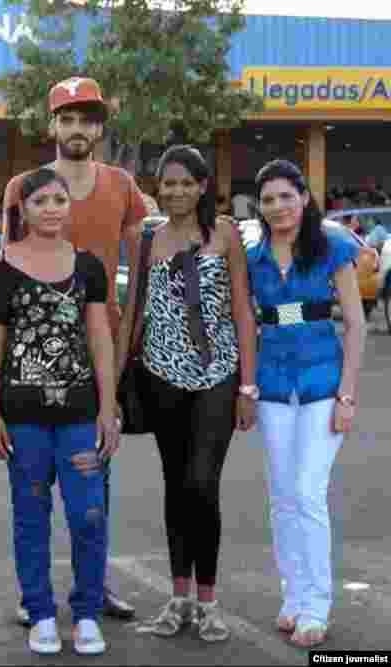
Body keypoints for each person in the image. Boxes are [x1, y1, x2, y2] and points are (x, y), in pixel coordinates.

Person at [2, 76, 148, 622]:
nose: (78, 128)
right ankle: (34, 596)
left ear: (100, 126)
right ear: (52, 126)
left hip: (100, 352)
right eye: (67, 119)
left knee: (94, 485)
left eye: (87, 119)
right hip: (35, 359)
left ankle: (96, 585)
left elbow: (141, 272)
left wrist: (127, 334)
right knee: (33, 486)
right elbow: (6, 270)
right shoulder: (25, 186)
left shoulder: (123, 187)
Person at [117, 145, 257, 642]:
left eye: (185, 183)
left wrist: (247, 385)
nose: (175, 191)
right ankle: (178, 598)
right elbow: (132, 312)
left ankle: (209, 600)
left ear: (202, 186)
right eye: (167, 183)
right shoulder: (146, 238)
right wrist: (115, 385)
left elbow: (242, 311)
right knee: (175, 486)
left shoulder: (223, 234)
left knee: (202, 484)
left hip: (216, 377)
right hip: (159, 377)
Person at [0, 167, 119, 656]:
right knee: (31, 517)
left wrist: (108, 407)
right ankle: (40, 612)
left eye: (60, 199)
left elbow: (100, 337)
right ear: (24, 209)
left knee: (88, 515)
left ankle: (85, 613)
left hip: (81, 416)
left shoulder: (88, 267)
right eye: (41, 201)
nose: (52, 209)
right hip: (23, 419)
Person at [246, 159, 365, 649]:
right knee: (281, 495)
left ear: (304, 198)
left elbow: (356, 325)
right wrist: (248, 389)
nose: (278, 207)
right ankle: (293, 597)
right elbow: (250, 325)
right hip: (273, 385)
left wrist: (347, 396)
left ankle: (317, 605)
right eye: (269, 199)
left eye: (286, 197)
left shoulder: (333, 247)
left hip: (322, 383)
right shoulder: (252, 257)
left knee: (307, 491)